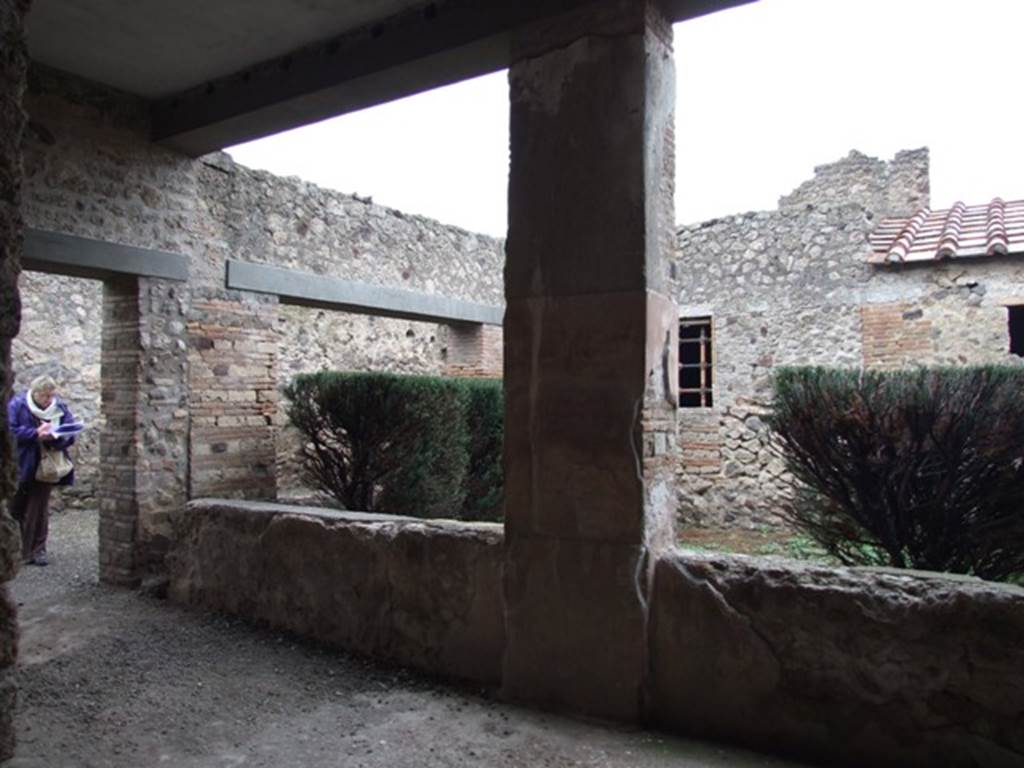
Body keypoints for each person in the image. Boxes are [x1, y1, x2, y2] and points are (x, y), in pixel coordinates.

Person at [7, 375, 77, 566]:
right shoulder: (18, 405)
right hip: (22, 462)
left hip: (46, 466)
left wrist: (54, 437)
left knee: (38, 509)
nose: (48, 400)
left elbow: (69, 433)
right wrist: (35, 434)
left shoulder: (59, 407)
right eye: (44, 396)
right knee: (16, 506)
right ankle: (18, 548)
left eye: (50, 396)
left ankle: (37, 550)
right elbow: (10, 430)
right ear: (34, 393)